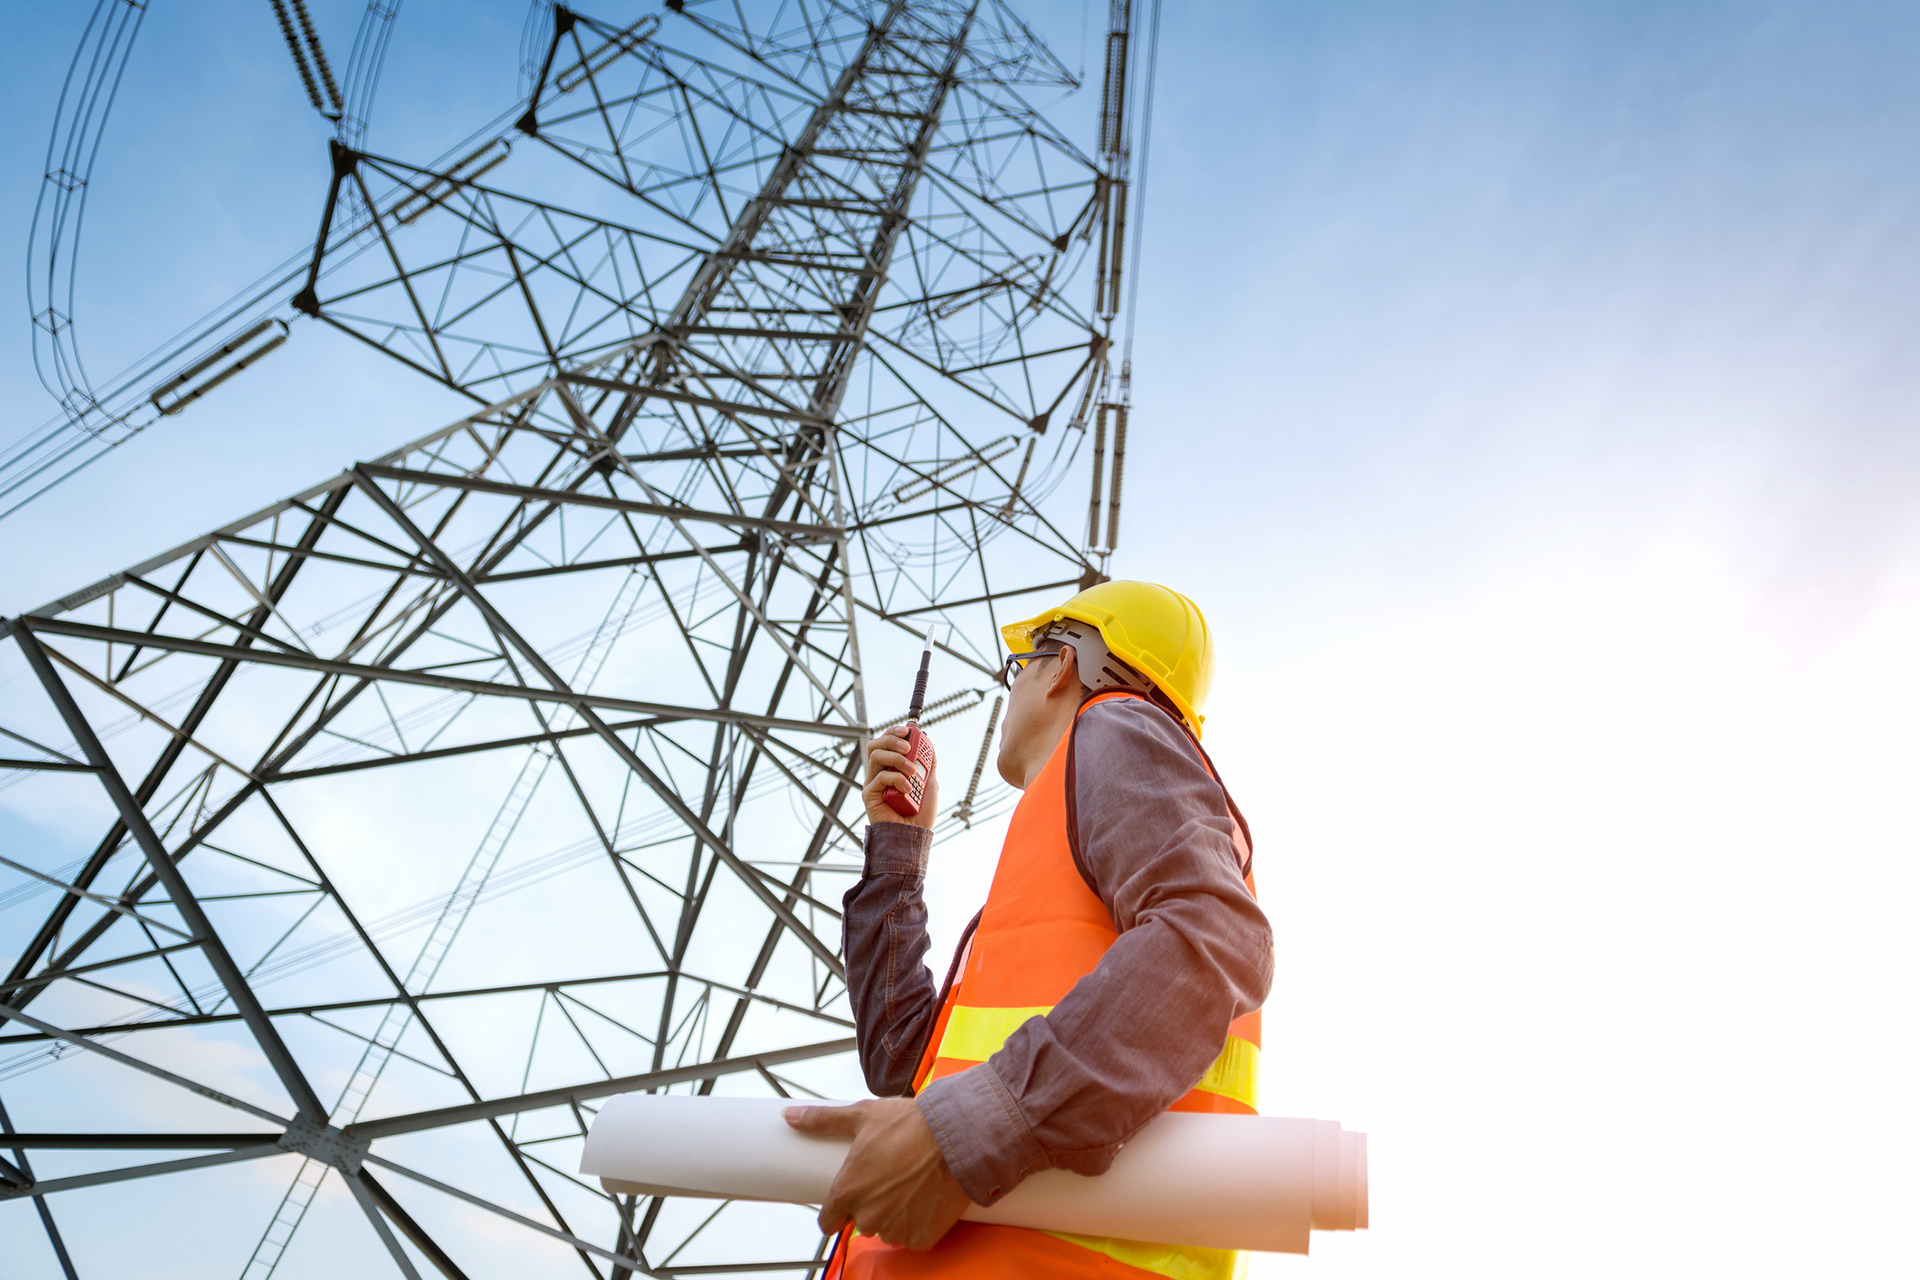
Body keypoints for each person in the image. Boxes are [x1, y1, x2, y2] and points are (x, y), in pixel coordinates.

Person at [784, 580, 1274, 1279]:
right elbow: (905, 1063)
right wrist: (898, 850)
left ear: (1062, 665)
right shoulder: (1057, 854)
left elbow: (1214, 939)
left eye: (1020, 666)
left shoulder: (1118, 725)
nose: (1013, 687)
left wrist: (976, 1128)